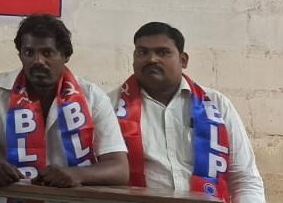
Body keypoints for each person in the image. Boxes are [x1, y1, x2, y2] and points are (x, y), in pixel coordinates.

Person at [0, 14, 128, 202]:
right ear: (20, 55)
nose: (38, 61)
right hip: (12, 197)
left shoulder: (92, 96)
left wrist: (76, 174)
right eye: (29, 52)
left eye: (47, 53)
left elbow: (119, 169)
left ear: (66, 55)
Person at [111, 22, 264, 202]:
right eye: (142, 52)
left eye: (163, 52)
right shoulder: (111, 106)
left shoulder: (216, 104)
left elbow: (245, 178)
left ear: (183, 60)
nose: (151, 59)